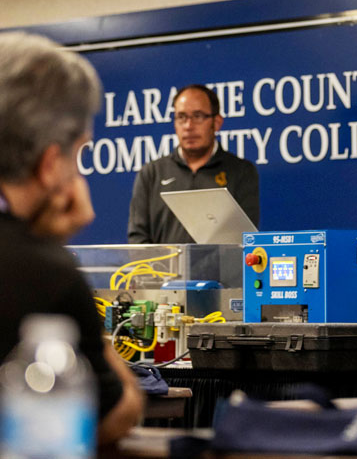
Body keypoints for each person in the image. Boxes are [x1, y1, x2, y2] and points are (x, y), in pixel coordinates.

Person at [0, 32, 143, 444]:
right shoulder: (44, 273)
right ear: (48, 164)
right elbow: (115, 415)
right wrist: (48, 248)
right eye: (78, 154)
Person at [127, 84, 260, 243]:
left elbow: (244, 239)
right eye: (181, 117)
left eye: (198, 116)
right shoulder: (151, 173)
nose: (189, 126)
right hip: (160, 268)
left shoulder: (242, 171)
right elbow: (137, 238)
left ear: (216, 122)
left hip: (221, 268)